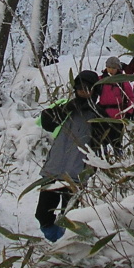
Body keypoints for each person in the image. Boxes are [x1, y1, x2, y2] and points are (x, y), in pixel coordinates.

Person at [35, 70, 104, 242]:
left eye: (88, 89)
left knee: (71, 216)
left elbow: (112, 137)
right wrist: (67, 108)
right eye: (80, 88)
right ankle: (55, 238)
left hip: (77, 174)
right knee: (43, 213)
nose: (84, 92)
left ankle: (67, 246)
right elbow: (46, 121)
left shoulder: (99, 114)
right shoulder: (67, 107)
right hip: (53, 169)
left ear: (95, 90)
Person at [97, 56, 134, 154]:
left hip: (118, 115)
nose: (111, 70)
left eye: (113, 68)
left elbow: (131, 97)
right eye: (109, 67)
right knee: (102, 138)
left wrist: (129, 112)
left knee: (116, 140)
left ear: (118, 68)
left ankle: (119, 157)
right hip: (103, 114)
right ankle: (103, 157)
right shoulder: (101, 80)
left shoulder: (123, 81)